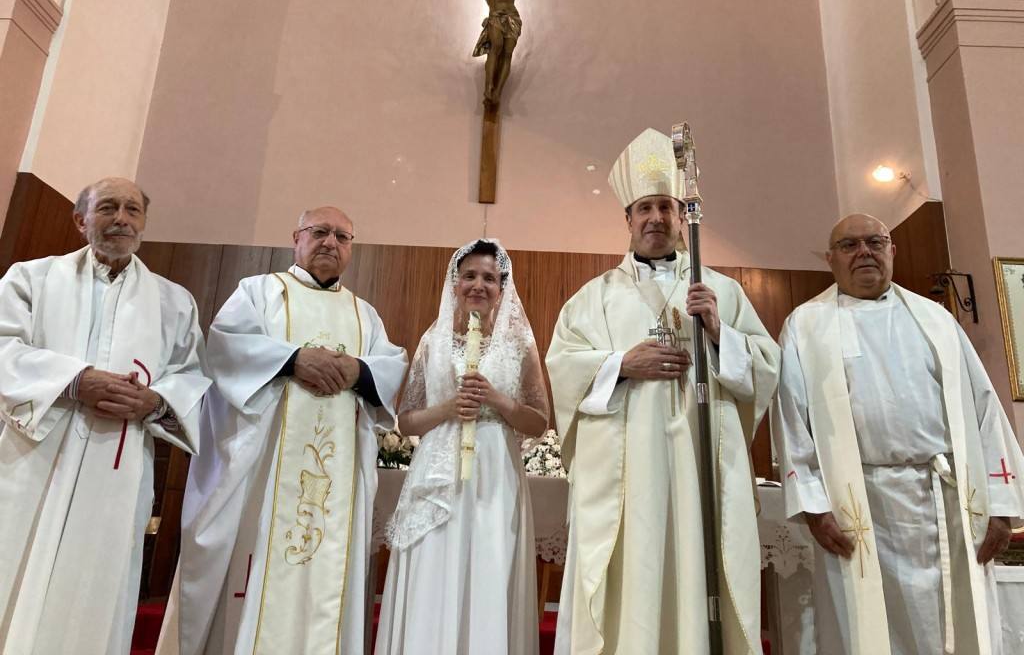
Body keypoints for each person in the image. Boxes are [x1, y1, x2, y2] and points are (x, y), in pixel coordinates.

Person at [546, 128, 781, 654]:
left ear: (682, 217)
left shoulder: (720, 291)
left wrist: (719, 333)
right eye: (645, 208)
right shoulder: (592, 299)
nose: (656, 218)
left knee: (698, 572)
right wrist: (620, 364)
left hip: (699, 469)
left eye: (666, 207)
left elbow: (767, 368)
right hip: (628, 478)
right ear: (627, 220)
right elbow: (562, 368)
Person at [772, 213, 1024, 654]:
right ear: (830, 259)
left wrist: (1001, 506)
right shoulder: (806, 325)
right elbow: (791, 418)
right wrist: (813, 506)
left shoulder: (935, 319)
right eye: (849, 245)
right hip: (859, 508)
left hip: (945, 501)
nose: (864, 252)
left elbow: (984, 407)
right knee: (868, 631)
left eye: (875, 242)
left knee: (956, 625)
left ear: (892, 250)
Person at [161, 206, 407, 655]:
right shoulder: (258, 292)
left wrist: (358, 370)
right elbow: (226, 349)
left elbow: (390, 366)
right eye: (320, 231)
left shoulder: (364, 314)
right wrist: (293, 360)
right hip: (264, 475)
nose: (331, 242)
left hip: (334, 485)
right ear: (297, 237)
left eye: (342, 236)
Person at [0, 177, 210, 654]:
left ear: (144, 222)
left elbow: (191, 376)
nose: (121, 219)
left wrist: (156, 402)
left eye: (133, 210)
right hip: (33, 454)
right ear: (81, 221)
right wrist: (74, 380)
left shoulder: (173, 302)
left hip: (117, 464)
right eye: (108, 208)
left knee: (96, 581)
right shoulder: (30, 279)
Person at [375, 239, 549, 655]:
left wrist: (498, 400)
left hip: (494, 473)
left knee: (487, 565)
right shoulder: (433, 341)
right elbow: (407, 419)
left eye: (489, 278)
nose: (478, 285)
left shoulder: (519, 344)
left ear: (502, 289)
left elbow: (539, 421)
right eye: (469, 275)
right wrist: (449, 408)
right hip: (437, 471)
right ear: (454, 283)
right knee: (434, 567)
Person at [428, 0, 572, 105]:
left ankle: (497, 92)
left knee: (508, 53)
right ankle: (488, 87)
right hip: (495, 16)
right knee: (496, 46)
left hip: (513, 18)